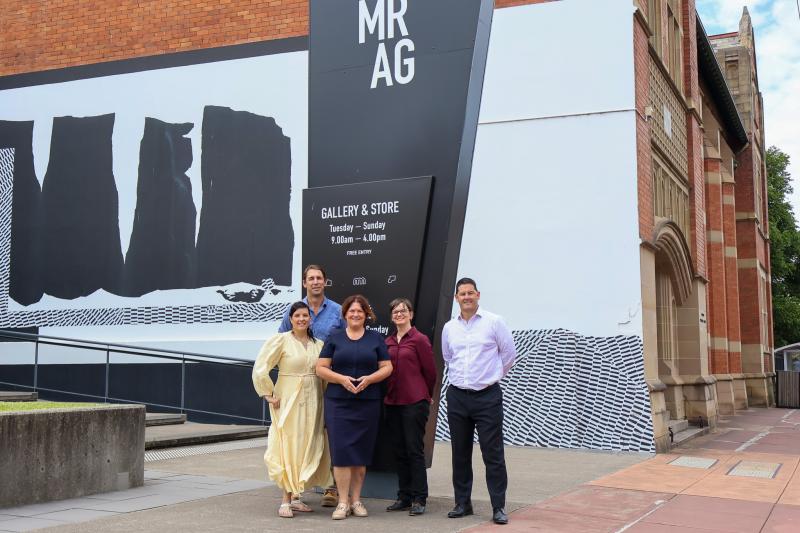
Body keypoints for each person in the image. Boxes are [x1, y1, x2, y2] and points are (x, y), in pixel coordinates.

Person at [442, 278, 516, 525]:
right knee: (460, 453)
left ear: (478, 295)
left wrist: (491, 377)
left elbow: (508, 355)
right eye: (462, 294)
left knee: (492, 454)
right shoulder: (449, 328)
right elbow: (448, 357)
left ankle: (498, 506)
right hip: (457, 396)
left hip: (487, 396)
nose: (466, 297)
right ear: (456, 298)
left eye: (470, 293)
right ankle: (463, 503)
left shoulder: (494, 322)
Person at [252, 301, 333, 518]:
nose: (301, 319)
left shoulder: (318, 344)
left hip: (314, 400)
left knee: (307, 444)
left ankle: (296, 497)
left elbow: (324, 374)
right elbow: (261, 367)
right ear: (291, 319)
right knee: (288, 444)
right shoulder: (281, 340)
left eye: (305, 315)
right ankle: (285, 500)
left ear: (310, 319)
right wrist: (267, 393)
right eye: (297, 316)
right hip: (289, 399)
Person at [315, 294, 393, 520]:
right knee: (340, 453)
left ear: (366, 314)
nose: (356, 314)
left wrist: (370, 379)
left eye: (360, 311)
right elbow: (320, 368)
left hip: (367, 403)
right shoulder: (334, 337)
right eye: (352, 311)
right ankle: (342, 502)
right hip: (338, 403)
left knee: (360, 453)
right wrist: (341, 379)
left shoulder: (375, 339)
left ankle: (356, 500)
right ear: (345, 314)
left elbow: (387, 367)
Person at [278, 264, 344, 506]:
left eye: (319, 278)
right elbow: (280, 343)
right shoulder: (294, 310)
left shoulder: (338, 311)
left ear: (325, 281)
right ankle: (295, 488)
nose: (315, 282)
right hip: (299, 385)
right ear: (304, 283)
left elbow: (348, 340)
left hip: (330, 381)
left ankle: (330, 486)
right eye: (311, 278)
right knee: (298, 434)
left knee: (328, 432)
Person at [383, 298, 437, 516]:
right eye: (395, 311)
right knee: (399, 450)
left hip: (414, 402)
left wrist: (426, 395)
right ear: (391, 316)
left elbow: (430, 372)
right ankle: (404, 496)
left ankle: (419, 498)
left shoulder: (419, 339)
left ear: (411, 314)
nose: (399, 314)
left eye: (403, 311)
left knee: (414, 450)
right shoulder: (387, 341)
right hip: (392, 402)